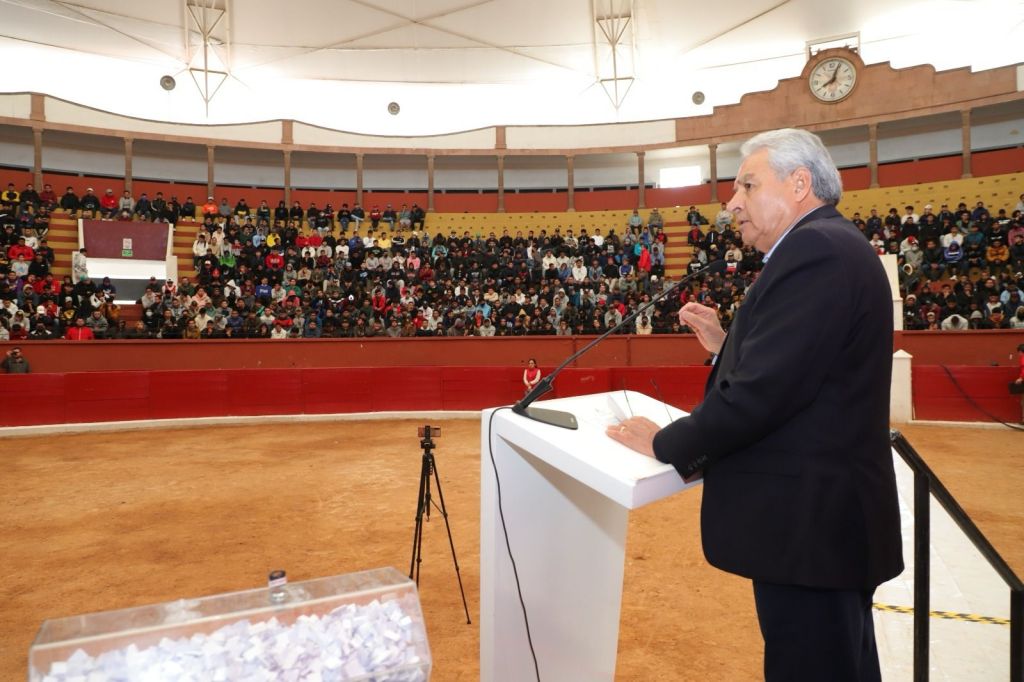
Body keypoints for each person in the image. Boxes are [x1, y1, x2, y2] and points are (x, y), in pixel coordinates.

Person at [607, 128, 903, 682]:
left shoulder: (814, 251)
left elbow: (761, 395)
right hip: (824, 527)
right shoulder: (833, 244)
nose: (731, 203)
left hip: (809, 529)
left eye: (747, 185)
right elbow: (803, 368)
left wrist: (665, 443)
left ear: (799, 184)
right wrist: (726, 345)